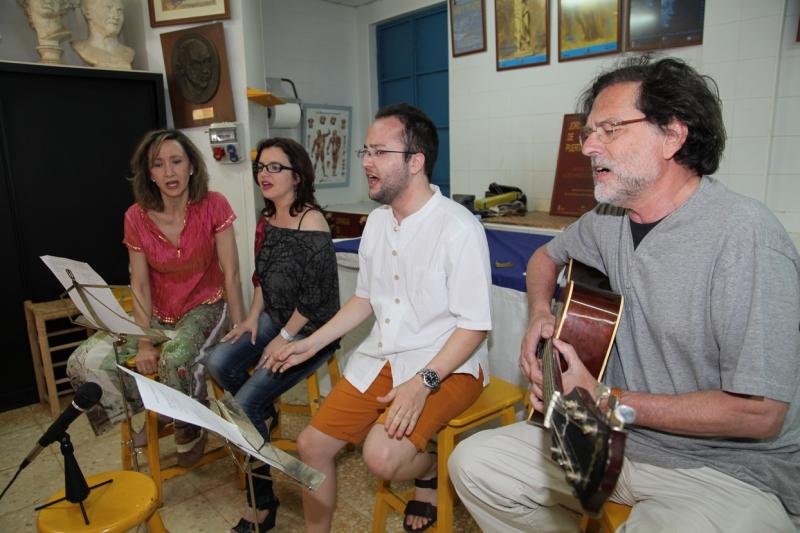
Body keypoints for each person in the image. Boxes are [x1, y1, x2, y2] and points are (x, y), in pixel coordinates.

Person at [448, 56, 800, 532]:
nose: (589, 146)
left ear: (673, 136)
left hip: (724, 470)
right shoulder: (606, 222)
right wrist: (537, 315)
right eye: (588, 132)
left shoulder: (746, 238)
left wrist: (606, 399)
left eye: (609, 129)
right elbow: (543, 260)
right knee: (475, 465)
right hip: (610, 438)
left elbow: (760, 415)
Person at [267, 103, 493, 532]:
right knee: (312, 445)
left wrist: (423, 383)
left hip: (448, 364)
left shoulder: (458, 229)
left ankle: (431, 467)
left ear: (415, 161)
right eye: (365, 151)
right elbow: (366, 300)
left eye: (379, 152)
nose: (367, 162)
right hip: (386, 356)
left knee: (381, 457)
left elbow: (475, 325)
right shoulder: (377, 223)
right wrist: (309, 343)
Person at [67, 129, 245, 468]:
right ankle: (159, 408)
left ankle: (189, 428)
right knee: (85, 361)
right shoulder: (135, 216)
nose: (169, 172)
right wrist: (144, 341)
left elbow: (232, 273)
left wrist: (238, 327)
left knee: (175, 358)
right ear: (149, 173)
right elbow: (140, 284)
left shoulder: (214, 204)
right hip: (158, 313)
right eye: (158, 165)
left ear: (191, 166)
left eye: (176, 162)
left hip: (207, 305)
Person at [204, 138, 340, 533]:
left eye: (274, 167)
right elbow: (263, 276)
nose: (264, 174)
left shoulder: (312, 223)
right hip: (276, 317)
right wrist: (250, 318)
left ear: (297, 176)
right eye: (261, 167)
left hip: (312, 328)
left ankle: (261, 503)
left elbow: (315, 299)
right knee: (218, 362)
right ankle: (263, 410)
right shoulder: (268, 219)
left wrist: (282, 337)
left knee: (242, 407)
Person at [73, 0, 134, 70]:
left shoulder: (128, 53)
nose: (116, 16)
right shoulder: (80, 48)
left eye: (119, 10)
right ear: (88, 13)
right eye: (109, 8)